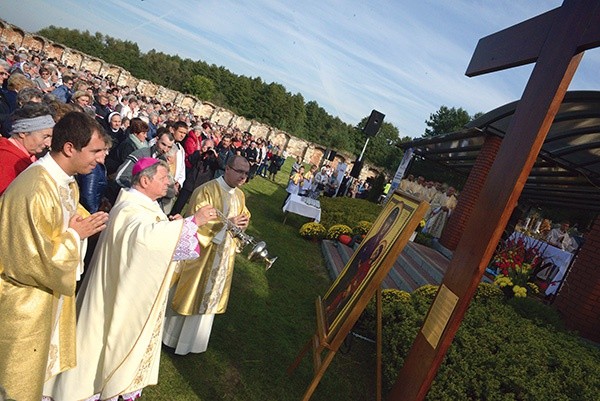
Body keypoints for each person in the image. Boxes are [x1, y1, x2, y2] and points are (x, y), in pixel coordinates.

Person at [43, 158, 217, 401]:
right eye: (164, 177)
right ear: (145, 180)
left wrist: (172, 226)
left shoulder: (145, 205)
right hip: (114, 294)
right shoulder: (129, 208)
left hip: (124, 286)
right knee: (102, 343)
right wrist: (192, 223)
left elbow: (149, 235)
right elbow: (143, 241)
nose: (169, 181)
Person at [0, 111, 109, 401]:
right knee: (14, 385)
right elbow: (29, 261)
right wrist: (76, 237)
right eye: (96, 151)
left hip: (47, 298)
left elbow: (72, 220)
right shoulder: (35, 188)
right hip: (24, 303)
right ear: (70, 148)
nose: (101, 159)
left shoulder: (65, 182)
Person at [163, 155, 251, 355]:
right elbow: (197, 223)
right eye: (239, 171)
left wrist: (242, 224)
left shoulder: (239, 195)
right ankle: (172, 338)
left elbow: (242, 217)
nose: (243, 177)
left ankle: (194, 343)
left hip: (222, 257)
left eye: (246, 173)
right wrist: (228, 224)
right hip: (201, 255)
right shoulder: (207, 190)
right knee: (191, 294)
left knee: (210, 298)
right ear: (227, 169)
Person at [0, 102, 55, 194]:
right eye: (45, 136)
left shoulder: (27, 157)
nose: (48, 144)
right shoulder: (7, 163)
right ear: (23, 133)